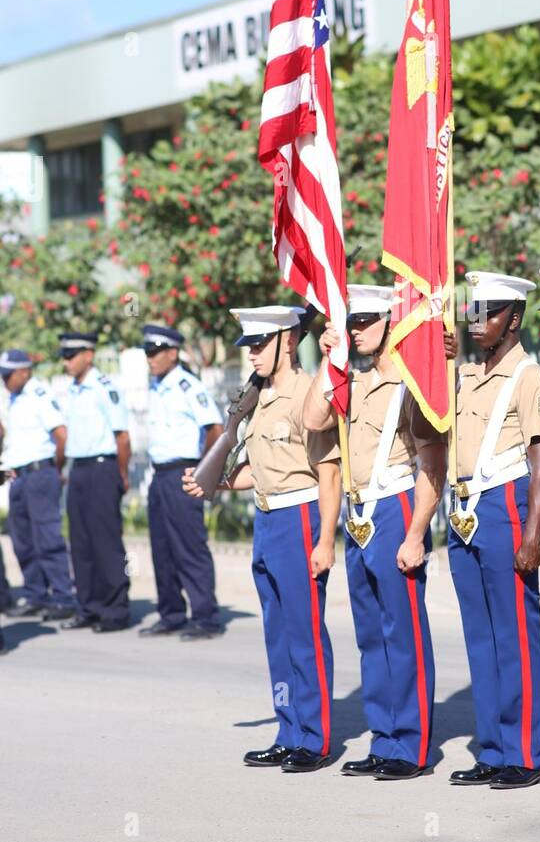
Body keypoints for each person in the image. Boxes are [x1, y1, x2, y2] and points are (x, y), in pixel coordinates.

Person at [184, 305, 341, 772]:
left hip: (300, 517)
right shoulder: (260, 399)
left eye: (259, 345)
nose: (251, 354)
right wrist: (213, 481)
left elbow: (329, 475)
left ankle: (313, 739)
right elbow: (259, 470)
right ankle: (287, 729)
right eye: (247, 346)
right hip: (268, 520)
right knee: (277, 635)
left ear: (288, 341)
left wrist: (326, 540)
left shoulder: (308, 397)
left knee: (305, 633)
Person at [304, 285, 446, 781]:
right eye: (351, 323)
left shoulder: (412, 384)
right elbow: (312, 417)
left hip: (395, 505)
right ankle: (384, 737)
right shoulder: (355, 382)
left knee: (402, 631)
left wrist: (416, 533)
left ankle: (411, 745)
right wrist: (328, 356)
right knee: (370, 634)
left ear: (390, 323)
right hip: (359, 511)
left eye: (364, 321)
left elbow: (433, 463)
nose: (356, 331)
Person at [444, 272, 540, 789]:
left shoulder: (527, 376)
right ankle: (492, 748)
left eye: (486, 312)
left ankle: (526, 753)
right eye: (473, 312)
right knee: (480, 638)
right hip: (464, 507)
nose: (476, 321)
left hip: (505, 504)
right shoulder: (464, 374)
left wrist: (533, 535)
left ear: (514, 318)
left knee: (513, 636)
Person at [138, 324, 223, 640]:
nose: (150, 359)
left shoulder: (188, 386)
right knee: (162, 547)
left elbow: (214, 430)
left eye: (155, 352)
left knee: (189, 546)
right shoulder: (156, 386)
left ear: (172, 353)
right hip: (160, 473)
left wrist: (204, 472)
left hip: (185, 471)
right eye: (147, 353)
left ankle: (205, 616)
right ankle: (171, 612)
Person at [57, 332, 131, 633]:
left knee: (106, 542)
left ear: (89, 355)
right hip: (79, 470)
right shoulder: (73, 390)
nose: (66, 361)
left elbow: (122, 437)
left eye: (72, 355)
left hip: (103, 468)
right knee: (81, 543)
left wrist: (121, 474)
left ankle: (115, 610)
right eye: (64, 356)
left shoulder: (104, 388)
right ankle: (88, 606)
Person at [0, 349, 76, 621]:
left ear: (24, 371)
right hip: (18, 476)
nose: (4, 379)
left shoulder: (38, 395)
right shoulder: (15, 398)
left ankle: (63, 597)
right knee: (22, 540)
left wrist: (55, 469)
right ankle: (36, 595)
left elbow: (61, 435)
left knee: (47, 539)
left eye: (8, 374)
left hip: (40, 473)